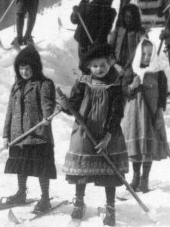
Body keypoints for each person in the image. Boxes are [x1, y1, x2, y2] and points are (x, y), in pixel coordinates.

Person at [58, 43, 128, 226]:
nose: (99, 69)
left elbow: (117, 112)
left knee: (109, 172)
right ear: (89, 66)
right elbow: (73, 105)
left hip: (107, 134)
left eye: (103, 65)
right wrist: (66, 106)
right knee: (82, 169)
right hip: (84, 131)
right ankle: (79, 201)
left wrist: (108, 136)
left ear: (110, 64)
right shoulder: (83, 82)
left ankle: (110, 208)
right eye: (95, 66)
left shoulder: (115, 84)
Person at [1, 46, 57, 213]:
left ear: (35, 67)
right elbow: (9, 111)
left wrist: (47, 116)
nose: (24, 71)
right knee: (20, 166)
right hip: (18, 135)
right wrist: (5, 135)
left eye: (28, 68)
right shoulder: (16, 86)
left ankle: (45, 198)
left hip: (38, 135)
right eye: (21, 68)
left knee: (41, 167)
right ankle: (21, 193)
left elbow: (48, 104)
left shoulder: (44, 84)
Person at [121, 39, 169, 193]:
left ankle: (145, 179)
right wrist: (132, 86)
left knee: (148, 146)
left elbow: (162, 94)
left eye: (150, 54)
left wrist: (160, 111)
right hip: (134, 114)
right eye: (143, 54)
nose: (146, 57)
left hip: (152, 113)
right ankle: (135, 177)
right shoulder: (131, 71)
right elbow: (123, 91)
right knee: (136, 146)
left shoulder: (159, 73)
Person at [70, 0, 116, 73]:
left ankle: (94, 85)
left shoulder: (103, 4)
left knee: (94, 66)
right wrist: (74, 14)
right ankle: (85, 84)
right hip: (82, 42)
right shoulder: (83, 1)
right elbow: (75, 21)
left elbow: (106, 26)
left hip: (94, 42)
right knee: (83, 65)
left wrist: (98, 42)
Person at [108, 3, 145, 69]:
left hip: (132, 66)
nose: (128, 20)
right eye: (126, 17)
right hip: (117, 65)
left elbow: (145, 50)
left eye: (130, 17)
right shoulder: (118, 30)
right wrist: (114, 64)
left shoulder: (140, 32)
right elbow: (110, 48)